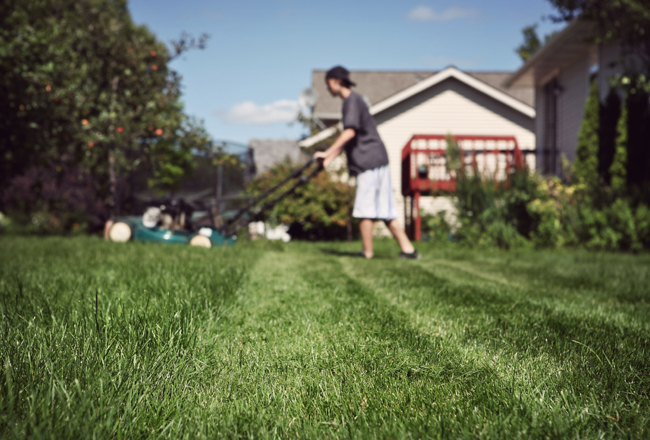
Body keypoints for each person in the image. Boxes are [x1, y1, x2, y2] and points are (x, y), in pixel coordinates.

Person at [314, 66, 420, 259]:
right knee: (385, 209)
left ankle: (367, 253)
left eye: (328, 83)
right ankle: (409, 250)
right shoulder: (355, 100)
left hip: (369, 161)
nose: (328, 88)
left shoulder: (351, 101)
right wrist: (329, 158)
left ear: (336, 81)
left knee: (365, 208)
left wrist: (327, 151)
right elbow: (350, 138)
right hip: (375, 159)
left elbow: (349, 132)